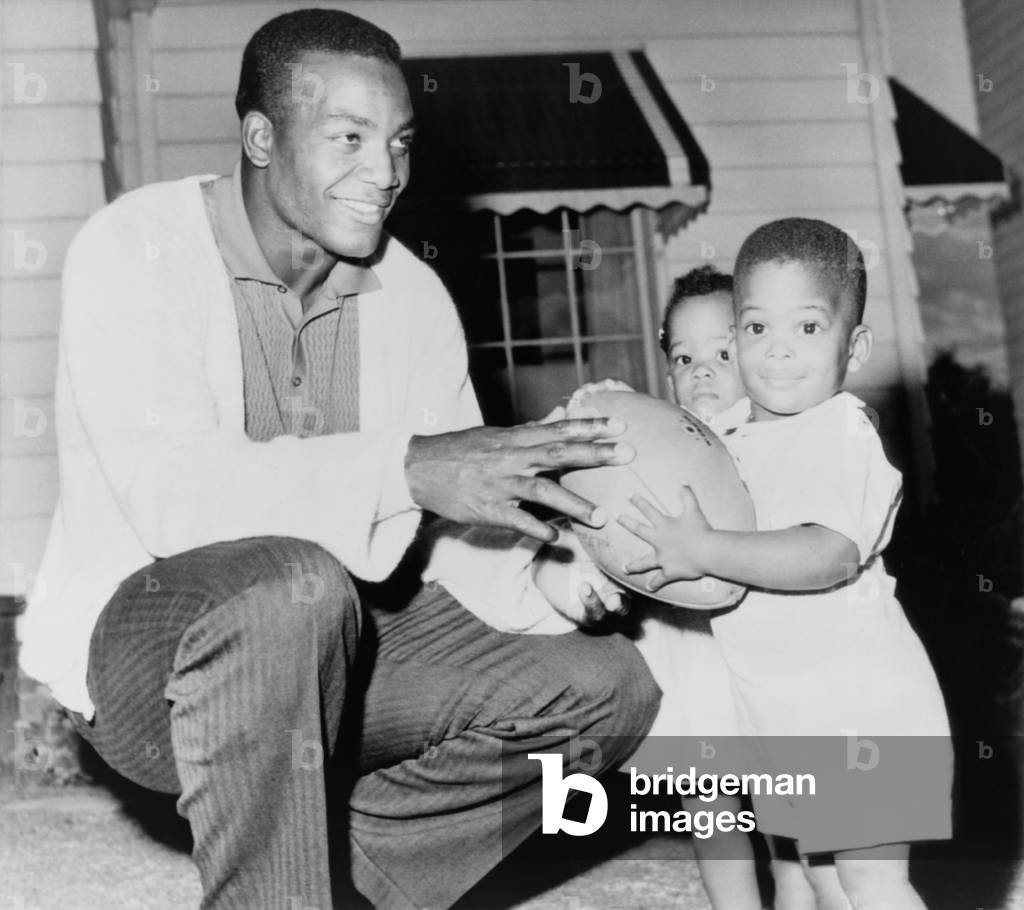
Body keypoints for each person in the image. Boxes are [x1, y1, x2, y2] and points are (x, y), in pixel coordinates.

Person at [18, 10, 660, 909]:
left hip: (335, 650)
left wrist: (552, 580)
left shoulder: (413, 295)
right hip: (147, 662)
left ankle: (343, 883)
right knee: (296, 583)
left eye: (399, 141)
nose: (385, 172)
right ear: (259, 135)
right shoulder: (135, 247)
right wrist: (405, 468)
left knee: (607, 687)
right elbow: (172, 501)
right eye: (348, 138)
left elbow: (447, 526)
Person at [619, 218, 952, 909]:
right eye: (757, 328)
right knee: (826, 880)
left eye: (807, 328)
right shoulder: (732, 445)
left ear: (854, 346)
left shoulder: (840, 433)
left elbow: (824, 553)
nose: (778, 352)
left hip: (864, 711)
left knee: (872, 882)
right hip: (788, 716)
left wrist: (705, 549)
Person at [626, 265, 761, 910]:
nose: (701, 371)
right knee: (711, 807)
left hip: (761, 655)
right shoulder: (665, 446)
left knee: (795, 814)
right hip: (690, 653)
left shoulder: (771, 437)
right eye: (684, 357)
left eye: (723, 353)